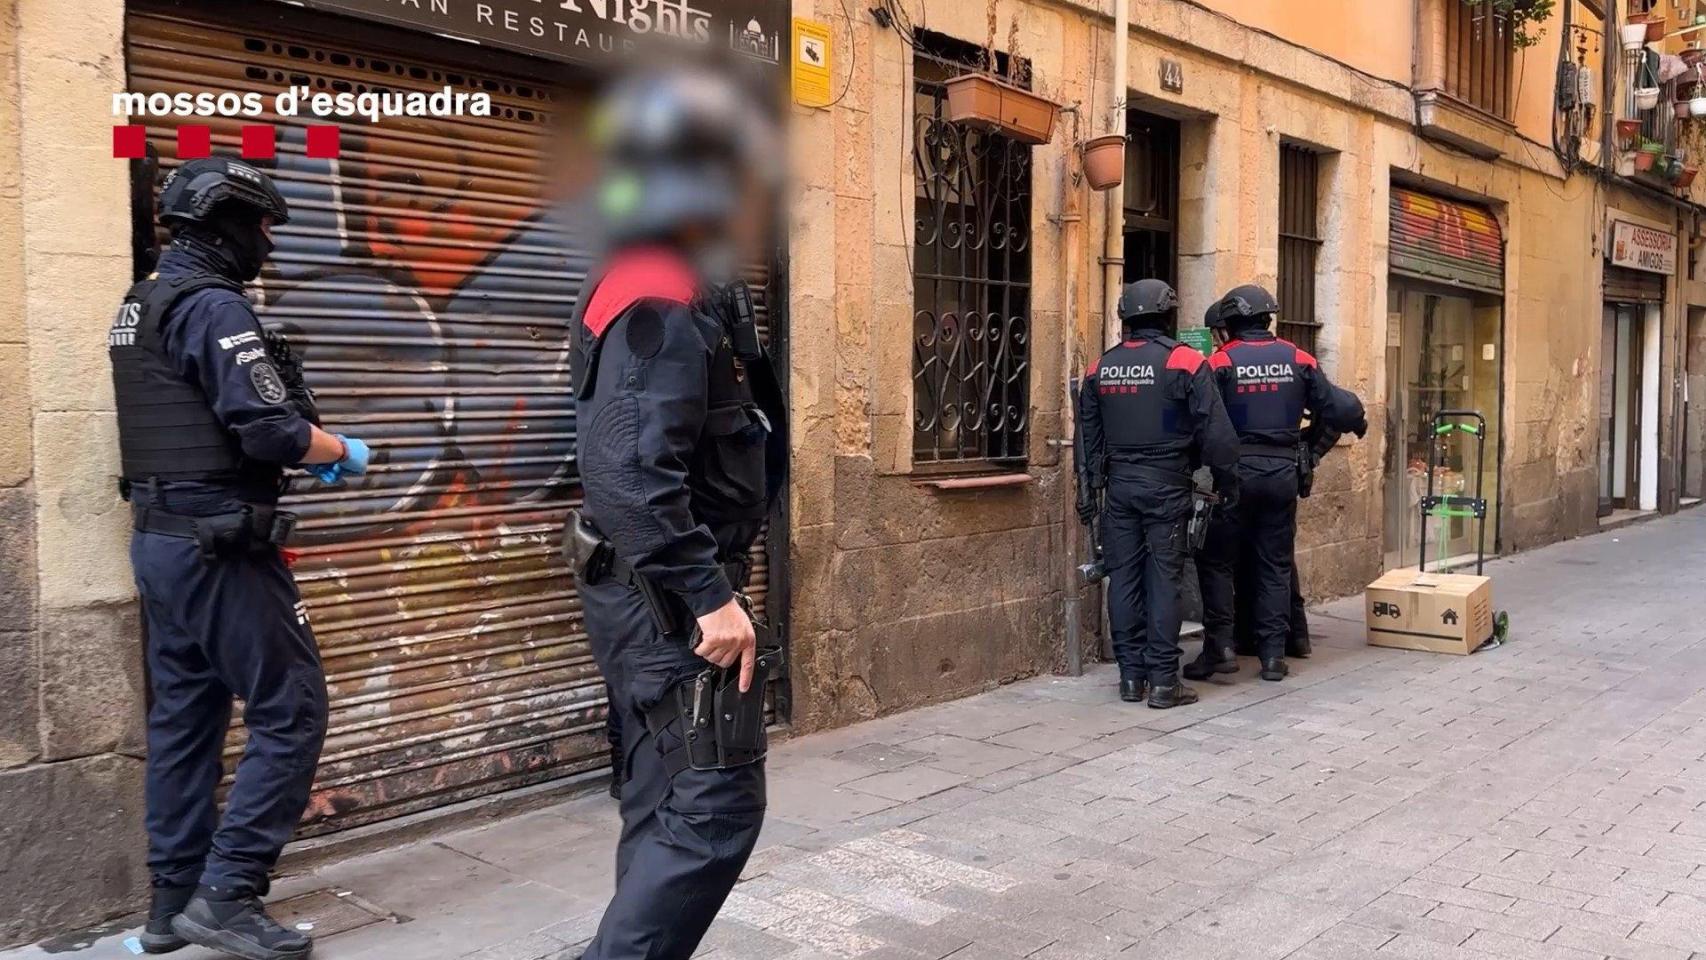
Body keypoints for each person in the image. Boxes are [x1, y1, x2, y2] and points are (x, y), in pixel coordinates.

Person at [109, 157, 372, 959]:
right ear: (225, 225)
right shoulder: (213, 305)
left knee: (185, 720)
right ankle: (228, 895)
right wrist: (339, 449)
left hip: (162, 542)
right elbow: (268, 429)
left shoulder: (141, 301)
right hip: (221, 546)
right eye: (260, 225)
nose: (268, 241)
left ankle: (171, 904)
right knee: (293, 709)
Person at [564, 64, 787, 960]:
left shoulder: (677, 276)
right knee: (714, 804)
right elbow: (625, 469)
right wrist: (708, 596)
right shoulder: (655, 285)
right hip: (667, 599)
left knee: (663, 799)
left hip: (651, 590)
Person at [1188, 285, 1365, 684]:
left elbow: (1200, 420)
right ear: (1267, 317)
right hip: (1282, 476)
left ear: (1231, 321)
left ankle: (1221, 648)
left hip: (1233, 476)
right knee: (1275, 565)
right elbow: (1337, 408)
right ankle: (1272, 657)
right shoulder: (1298, 357)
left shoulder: (1221, 362)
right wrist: (1314, 446)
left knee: (1217, 562)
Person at [1076, 280, 1239, 708]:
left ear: (1126, 317)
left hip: (1119, 490)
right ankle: (1165, 682)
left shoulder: (1099, 368)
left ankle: (1131, 678)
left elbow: (1087, 439)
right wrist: (1226, 481)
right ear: (1167, 314)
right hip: (1167, 487)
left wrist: (1087, 492)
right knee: (1165, 580)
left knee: (1123, 579)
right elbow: (1217, 433)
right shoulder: (1185, 361)